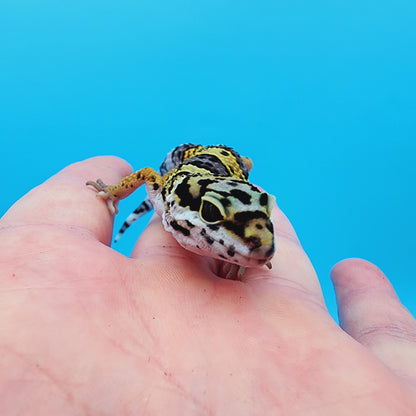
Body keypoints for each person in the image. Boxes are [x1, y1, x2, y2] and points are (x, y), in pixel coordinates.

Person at [0, 156, 415, 415]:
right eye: (216, 216)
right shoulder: (167, 193)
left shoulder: (244, 216)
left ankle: (238, 175)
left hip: (224, 165)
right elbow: (147, 173)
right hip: (192, 164)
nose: (262, 246)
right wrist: (113, 194)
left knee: (244, 172)